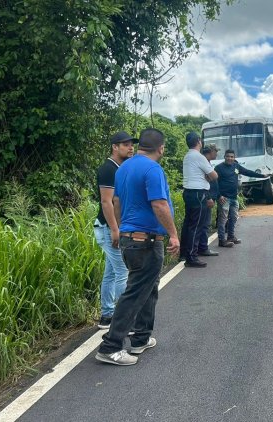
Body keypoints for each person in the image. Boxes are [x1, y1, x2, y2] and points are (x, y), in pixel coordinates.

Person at [96, 128, 180, 366]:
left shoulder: (124, 169)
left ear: (141, 145)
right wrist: (174, 235)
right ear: (161, 148)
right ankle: (110, 346)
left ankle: (141, 338)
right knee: (135, 292)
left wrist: (123, 230)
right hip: (146, 241)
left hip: (131, 238)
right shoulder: (153, 169)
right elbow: (160, 204)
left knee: (148, 288)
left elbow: (117, 202)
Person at [94, 131, 136, 329]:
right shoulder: (108, 169)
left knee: (111, 272)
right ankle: (124, 320)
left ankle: (107, 315)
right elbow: (106, 201)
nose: (130, 147)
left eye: (131, 144)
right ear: (115, 147)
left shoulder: (120, 167)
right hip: (107, 227)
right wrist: (115, 229)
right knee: (122, 271)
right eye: (125, 144)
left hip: (109, 227)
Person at [179, 132, 218, 268]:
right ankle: (192, 257)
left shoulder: (187, 156)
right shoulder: (199, 157)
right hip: (198, 193)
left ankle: (184, 253)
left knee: (188, 224)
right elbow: (214, 175)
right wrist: (207, 176)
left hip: (188, 192)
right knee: (196, 225)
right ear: (198, 141)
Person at [214, 149, 266, 247]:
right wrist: (219, 195)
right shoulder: (219, 168)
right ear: (224, 157)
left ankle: (231, 236)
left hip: (234, 197)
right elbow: (214, 183)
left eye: (232, 157)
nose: (230, 158)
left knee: (233, 217)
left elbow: (247, 172)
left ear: (234, 158)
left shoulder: (236, 166)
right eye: (228, 156)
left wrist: (262, 175)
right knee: (223, 219)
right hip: (224, 198)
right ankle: (221, 240)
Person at [197, 144, 221, 256]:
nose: (216, 153)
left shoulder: (206, 163)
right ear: (210, 152)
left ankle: (202, 247)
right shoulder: (203, 163)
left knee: (204, 223)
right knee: (204, 224)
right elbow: (204, 183)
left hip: (209, 197)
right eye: (215, 151)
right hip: (207, 198)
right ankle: (203, 248)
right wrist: (209, 197)